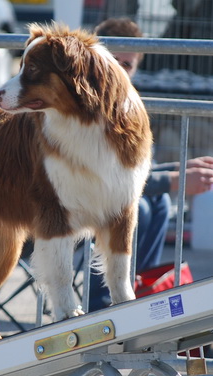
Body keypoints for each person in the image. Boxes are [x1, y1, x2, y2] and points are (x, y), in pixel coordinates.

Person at [88, 17, 213, 311]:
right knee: (139, 209)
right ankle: (100, 306)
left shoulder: (126, 107)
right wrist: (173, 180)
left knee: (155, 203)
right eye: (111, 61)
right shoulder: (85, 105)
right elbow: (104, 178)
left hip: (99, 201)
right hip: (64, 208)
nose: (117, 71)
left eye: (126, 65)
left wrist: (178, 172)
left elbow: (130, 175)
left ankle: (139, 293)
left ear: (137, 68)